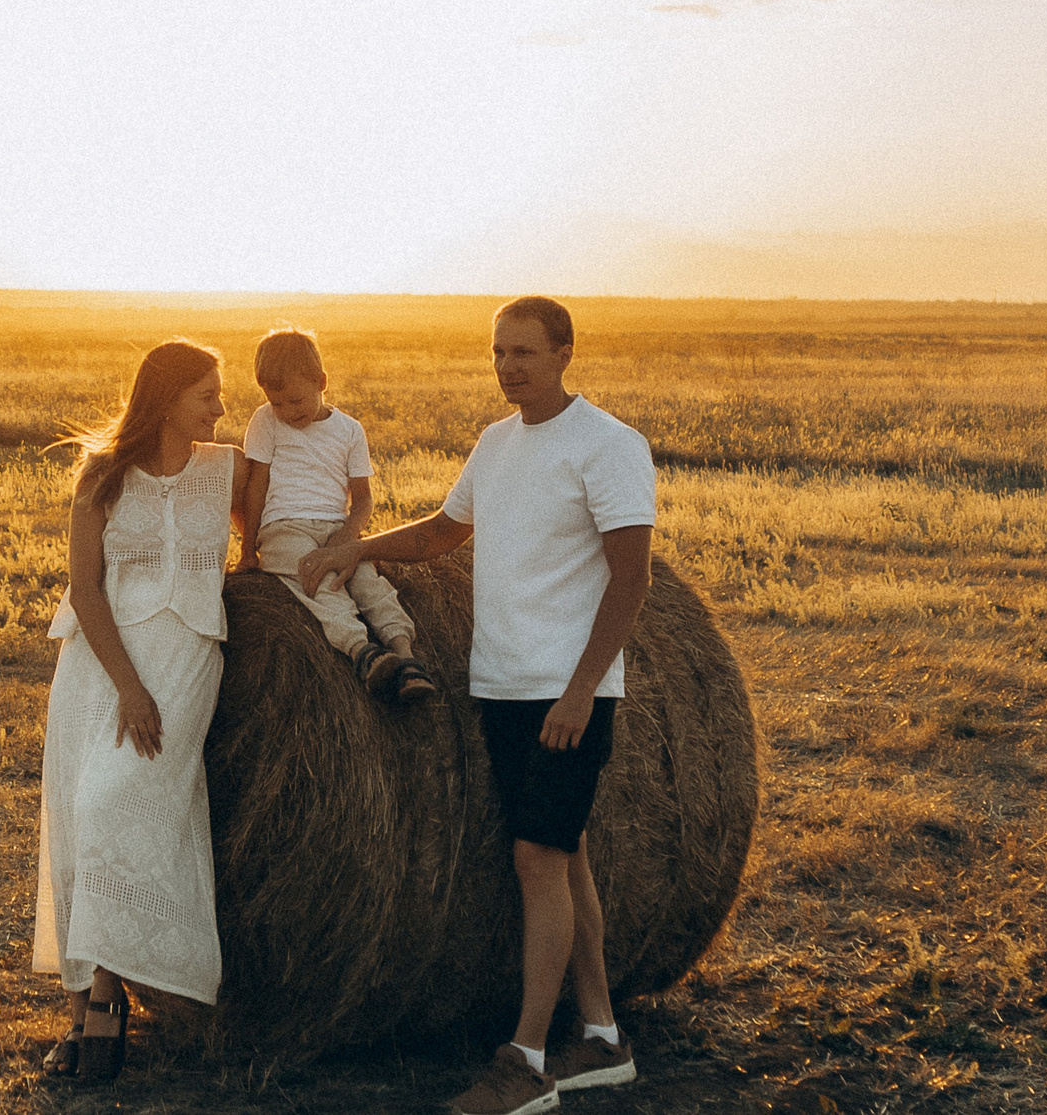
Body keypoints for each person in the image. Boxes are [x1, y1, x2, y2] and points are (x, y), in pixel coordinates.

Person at [296, 296, 653, 1115]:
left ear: (563, 353)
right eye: (498, 351)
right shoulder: (496, 443)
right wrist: (356, 547)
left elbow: (631, 577)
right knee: (565, 855)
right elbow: (441, 532)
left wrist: (580, 689)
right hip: (501, 685)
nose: (507, 366)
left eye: (524, 351)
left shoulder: (609, 445)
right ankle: (602, 1035)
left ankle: (525, 1060)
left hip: (566, 693)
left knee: (537, 859)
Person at [33, 339, 245, 1083]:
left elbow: (295, 516)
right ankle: (84, 1008)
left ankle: (105, 995)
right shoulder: (101, 474)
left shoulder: (229, 468)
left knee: (116, 800)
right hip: (100, 663)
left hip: (186, 656)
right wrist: (127, 685)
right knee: (80, 815)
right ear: (166, 398)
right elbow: (85, 588)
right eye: (207, 394)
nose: (220, 407)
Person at [238, 326, 438, 704]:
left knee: (368, 583)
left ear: (322, 382)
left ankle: (406, 656)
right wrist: (249, 551)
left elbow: (363, 500)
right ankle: (362, 651)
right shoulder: (264, 421)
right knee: (318, 582)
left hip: (336, 528)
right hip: (283, 529)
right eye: (277, 404)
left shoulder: (349, 430)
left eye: (296, 401)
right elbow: (256, 487)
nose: (287, 412)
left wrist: (346, 541)